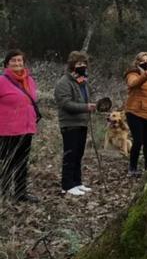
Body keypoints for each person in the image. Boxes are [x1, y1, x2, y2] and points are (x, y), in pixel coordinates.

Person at [53, 51, 96, 197]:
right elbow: (65, 104)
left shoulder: (83, 82)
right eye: (79, 64)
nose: (82, 66)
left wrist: (91, 107)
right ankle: (67, 185)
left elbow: (84, 100)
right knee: (70, 155)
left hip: (82, 123)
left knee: (79, 154)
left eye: (84, 63)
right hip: (69, 124)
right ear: (72, 65)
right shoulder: (63, 82)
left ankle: (77, 182)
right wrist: (86, 107)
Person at [0, 50, 41, 203]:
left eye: (20, 61)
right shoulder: (2, 81)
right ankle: (3, 194)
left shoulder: (29, 80)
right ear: (7, 64)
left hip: (26, 129)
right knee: (7, 162)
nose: (17, 63)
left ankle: (20, 192)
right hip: (7, 131)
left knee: (22, 163)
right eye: (13, 61)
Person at [124, 52, 147, 177]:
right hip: (135, 112)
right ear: (137, 62)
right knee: (138, 140)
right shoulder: (132, 74)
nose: (146, 63)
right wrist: (146, 74)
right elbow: (133, 84)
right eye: (142, 60)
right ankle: (132, 168)